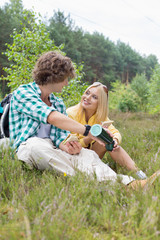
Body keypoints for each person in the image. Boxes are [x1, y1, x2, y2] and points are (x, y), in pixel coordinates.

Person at [9, 51, 159, 189]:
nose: (67, 83)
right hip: (26, 147)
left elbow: (58, 136)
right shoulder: (24, 92)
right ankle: (96, 181)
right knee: (36, 145)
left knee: (87, 155)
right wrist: (89, 132)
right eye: (65, 78)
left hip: (53, 149)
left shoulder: (58, 103)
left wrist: (66, 146)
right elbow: (52, 117)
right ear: (54, 76)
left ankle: (129, 184)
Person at [67, 82, 147, 179]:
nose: (87, 97)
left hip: (92, 153)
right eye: (87, 93)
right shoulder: (70, 113)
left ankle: (140, 174)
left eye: (94, 97)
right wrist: (90, 138)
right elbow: (68, 144)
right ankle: (106, 172)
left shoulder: (101, 116)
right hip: (74, 155)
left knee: (111, 143)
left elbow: (115, 133)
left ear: (101, 103)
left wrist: (115, 140)